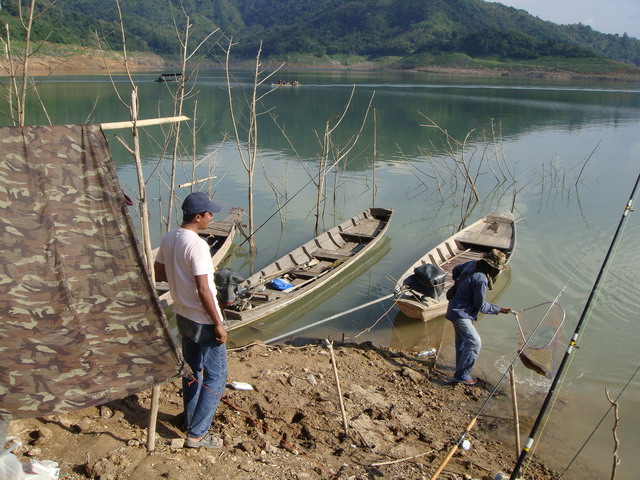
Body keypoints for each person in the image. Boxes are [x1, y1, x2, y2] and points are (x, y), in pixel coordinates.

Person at [154, 191, 228, 449]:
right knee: (216, 377)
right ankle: (197, 434)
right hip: (203, 320)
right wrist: (217, 322)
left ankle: (189, 419)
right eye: (209, 214)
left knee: (192, 370)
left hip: (182, 315)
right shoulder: (197, 245)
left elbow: (160, 272)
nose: (211, 217)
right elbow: (204, 290)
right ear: (198, 217)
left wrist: (181, 276)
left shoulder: (169, 237)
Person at [445, 248, 512, 386]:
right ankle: (462, 375)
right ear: (493, 268)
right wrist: (499, 309)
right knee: (475, 342)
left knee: (463, 342)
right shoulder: (481, 280)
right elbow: (480, 306)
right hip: (461, 314)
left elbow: (455, 270)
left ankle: (460, 370)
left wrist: (460, 286)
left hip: (453, 308)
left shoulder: (471, 263)